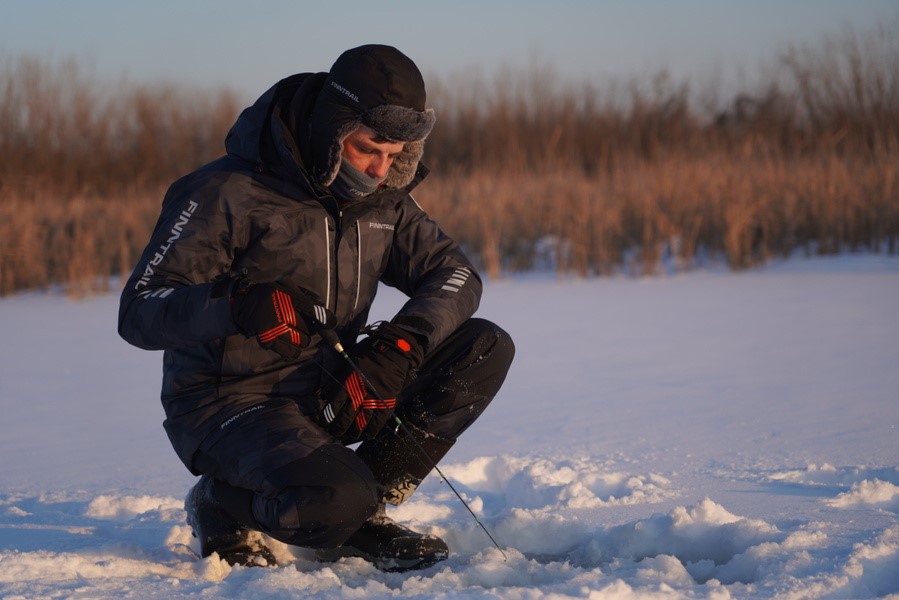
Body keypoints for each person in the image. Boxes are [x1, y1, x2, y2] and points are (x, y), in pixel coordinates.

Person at [118, 44, 514, 572]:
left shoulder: (384, 198)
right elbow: (139, 310)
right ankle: (222, 502)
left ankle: (362, 509)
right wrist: (239, 303)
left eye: (396, 154)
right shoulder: (225, 192)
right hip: (228, 406)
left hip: (329, 388)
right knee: (334, 500)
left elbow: (455, 274)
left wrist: (401, 346)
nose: (381, 169)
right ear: (334, 127)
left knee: (483, 346)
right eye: (368, 149)